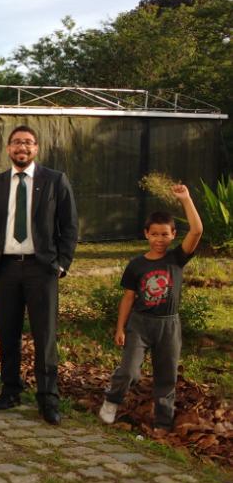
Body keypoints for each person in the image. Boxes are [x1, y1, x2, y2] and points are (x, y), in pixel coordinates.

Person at [0, 125, 79, 425]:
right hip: (6, 269)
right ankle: (10, 390)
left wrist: (61, 263)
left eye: (27, 142)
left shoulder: (54, 180)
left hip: (41, 269)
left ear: (36, 148)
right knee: (8, 333)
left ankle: (48, 398)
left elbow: (70, 225)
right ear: (8, 148)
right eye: (16, 142)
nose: (21, 147)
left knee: (45, 335)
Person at [98, 185, 202, 431]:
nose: (159, 239)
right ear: (146, 234)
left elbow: (197, 230)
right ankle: (112, 400)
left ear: (173, 235)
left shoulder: (177, 258)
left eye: (165, 234)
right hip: (140, 324)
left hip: (169, 325)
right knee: (130, 371)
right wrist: (120, 328)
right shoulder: (136, 265)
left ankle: (163, 423)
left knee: (166, 376)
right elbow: (128, 298)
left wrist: (186, 200)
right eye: (154, 234)